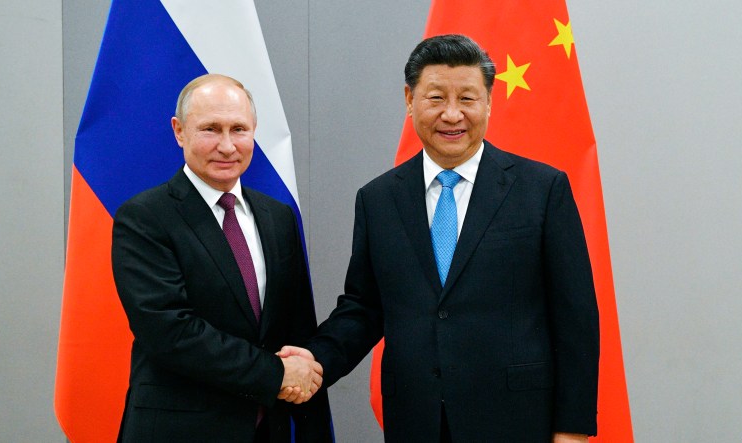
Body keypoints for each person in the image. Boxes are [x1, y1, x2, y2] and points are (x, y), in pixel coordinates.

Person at [282, 34, 600, 442]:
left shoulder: (542, 189)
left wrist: (572, 430)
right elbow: (364, 307)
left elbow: (575, 318)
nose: (452, 115)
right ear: (409, 100)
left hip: (517, 420)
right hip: (417, 420)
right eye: (436, 98)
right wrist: (315, 358)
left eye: (467, 99)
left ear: (488, 102)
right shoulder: (379, 199)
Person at [111, 73, 332, 443]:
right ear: (179, 131)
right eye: (211, 129)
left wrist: (304, 381)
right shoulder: (144, 217)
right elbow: (170, 332)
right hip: (179, 432)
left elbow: (295, 326)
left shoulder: (278, 217)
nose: (227, 146)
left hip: (267, 431)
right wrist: (275, 375)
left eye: (239, 129)